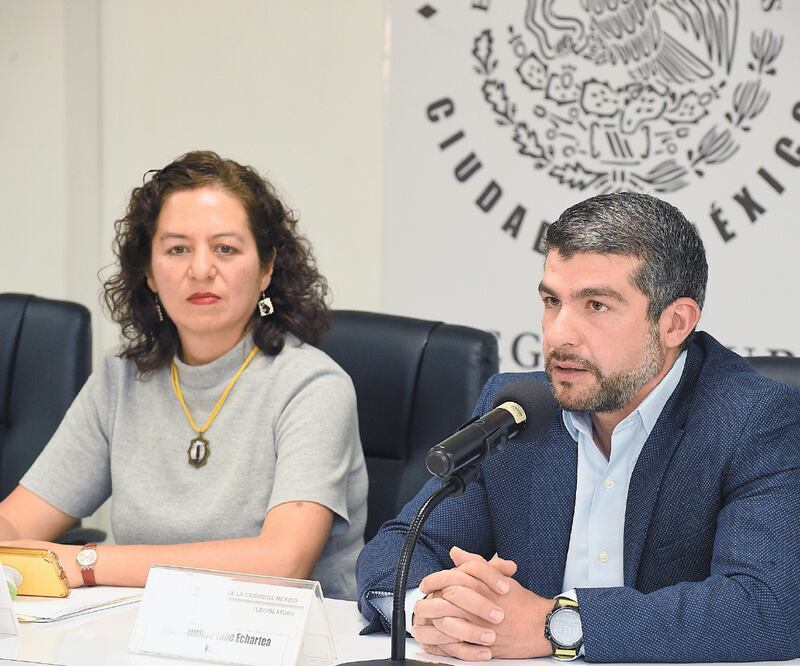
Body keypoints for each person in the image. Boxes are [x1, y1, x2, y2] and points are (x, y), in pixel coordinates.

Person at [356, 192, 800, 661]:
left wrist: (557, 625)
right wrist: (429, 611)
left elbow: (766, 605)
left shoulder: (755, 419)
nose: (559, 334)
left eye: (597, 305)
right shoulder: (517, 410)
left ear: (675, 324)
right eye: (552, 301)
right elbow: (402, 546)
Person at [0, 150, 368, 601]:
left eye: (226, 249)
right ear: (150, 273)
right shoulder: (120, 380)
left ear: (267, 267)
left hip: (289, 642)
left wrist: (86, 562)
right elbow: (16, 526)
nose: (200, 270)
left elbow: (282, 560)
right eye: (177, 249)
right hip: (139, 632)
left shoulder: (313, 387)